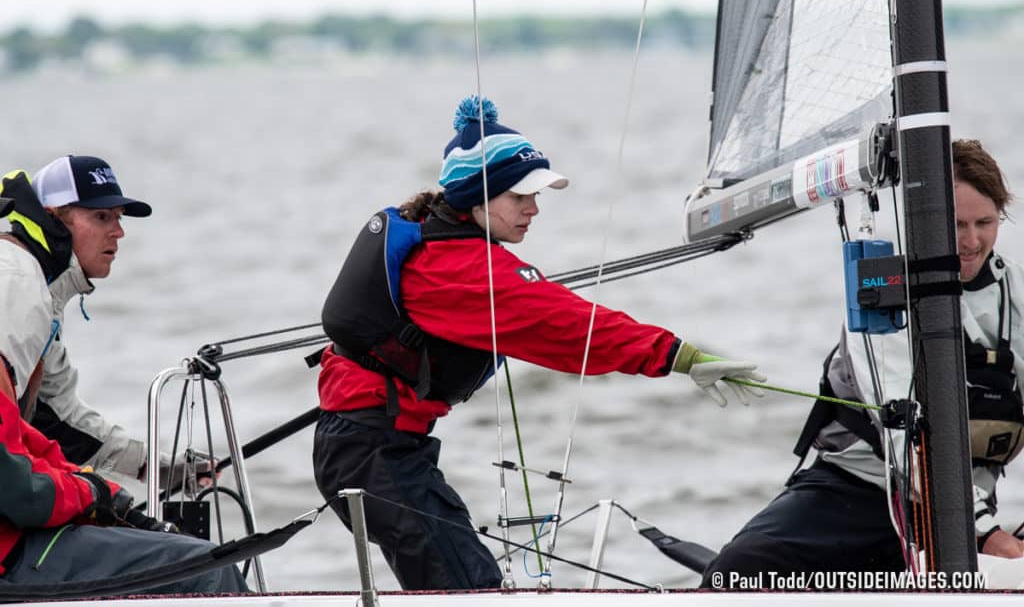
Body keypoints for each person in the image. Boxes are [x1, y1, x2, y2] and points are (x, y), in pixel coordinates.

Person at [312, 96, 768, 590]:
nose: (533, 210)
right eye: (519, 197)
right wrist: (680, 356)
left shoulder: (446, 244)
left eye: (537, 197)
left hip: (375, 445)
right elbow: (572, 325)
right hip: (373, 451)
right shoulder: (464, 269)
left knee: (461, 582)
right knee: (471, 591)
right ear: (476, 198)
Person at [701, 138, 1024, 587]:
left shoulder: (1016, 297)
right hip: (856, 490)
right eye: (957, 224)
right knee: (736, 573)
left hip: (966, 509)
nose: (972, 241)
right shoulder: (881, 290)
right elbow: (902, 440)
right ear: (925, 220)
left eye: (985, 223)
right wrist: (986, 535)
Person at [0, 343, 249, 595]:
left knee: (198, 558)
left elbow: (30, 449)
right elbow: (22, 494)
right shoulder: (26, 319)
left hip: (20, 539)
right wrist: (91, 493)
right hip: (12, 556)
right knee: (209, 568)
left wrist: (111, 495)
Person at [0, 155, 175, 483]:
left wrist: (153, 467)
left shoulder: (37, 285)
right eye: (102, 216)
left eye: (119, 217)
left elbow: (59, 419)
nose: (119, 231)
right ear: (54, 219)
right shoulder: (18, 279)